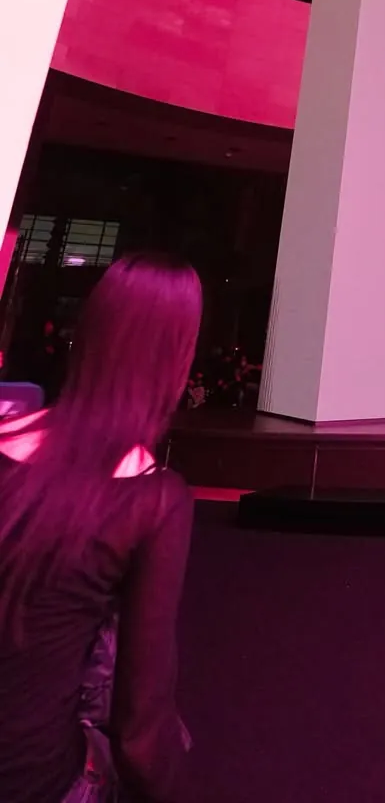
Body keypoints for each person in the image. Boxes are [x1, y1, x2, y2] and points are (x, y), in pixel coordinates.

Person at [0, 253, 202, 803]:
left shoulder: (7, 437)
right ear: (175, 358)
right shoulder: (155, 499)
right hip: (35, 783)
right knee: (170, 734)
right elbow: (141, 735)